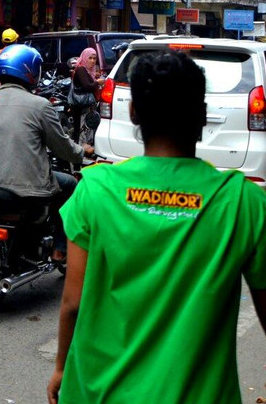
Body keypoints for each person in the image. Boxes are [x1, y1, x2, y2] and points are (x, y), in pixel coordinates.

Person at [47, 50, 266, 404]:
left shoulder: (95, 188)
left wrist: (60, 367)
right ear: (203, 116)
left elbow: (73, 302)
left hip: (98, 392)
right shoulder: (242, 201)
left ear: (133, 112)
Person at [0, 44, 91, 264]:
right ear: (31, 71)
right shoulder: (40, 106)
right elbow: (61, 147)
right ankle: (59, 248)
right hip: (26, 186)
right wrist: (80, 152)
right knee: (71, 186)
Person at [68, 47, 101, 146]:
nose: (92, 61)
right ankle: (80, 152)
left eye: (94, 58)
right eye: (90, 58)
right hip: (80, 105)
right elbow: (87, 86)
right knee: (81, 129)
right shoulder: (81, 69)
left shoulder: (89, 71)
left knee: (84, 129)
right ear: (84, 58)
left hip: (85, 105)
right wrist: (97, 82)